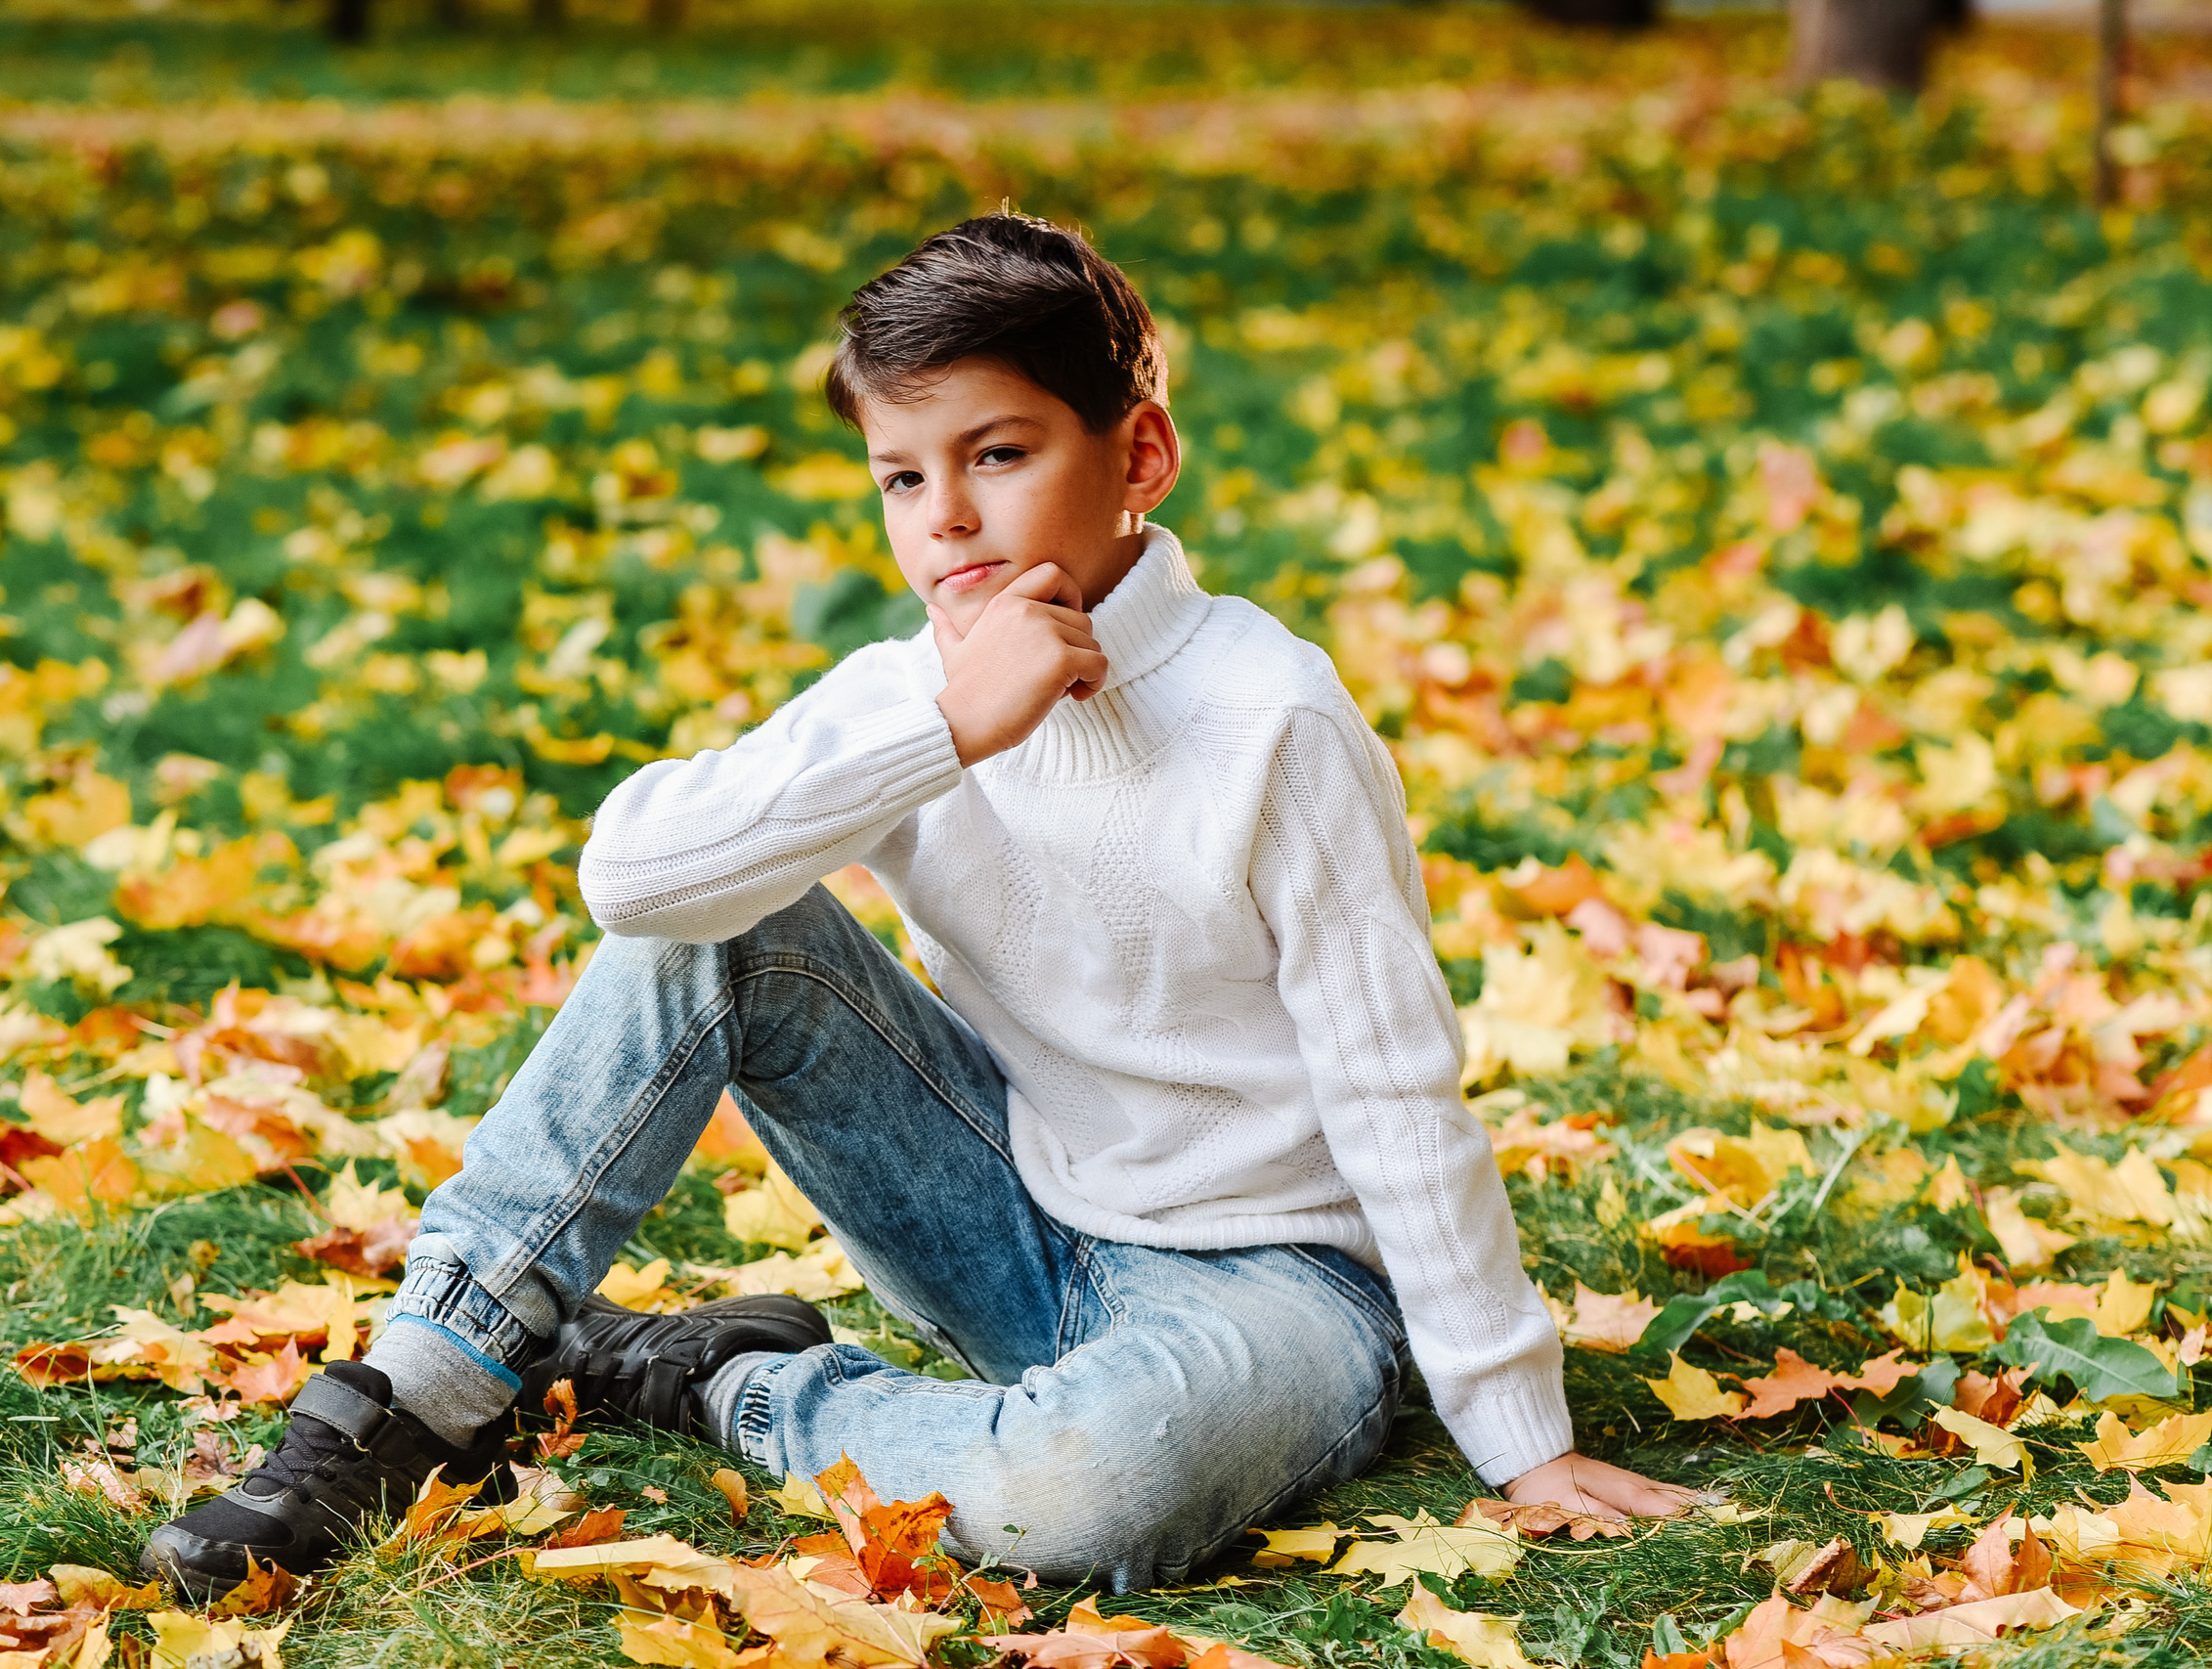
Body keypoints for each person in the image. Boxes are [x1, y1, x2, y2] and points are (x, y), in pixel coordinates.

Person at [144, 210, 1694, 1602]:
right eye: (903, 475)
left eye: (999, 455)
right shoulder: (916, 698)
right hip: (1012, 1217)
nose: (944, 519)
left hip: (1284, 1285)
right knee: (724, 923)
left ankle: (718, 1385)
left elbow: (1393, 1083)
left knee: (1079, 1490)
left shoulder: (1269, 716)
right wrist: (949, 728)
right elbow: (633, 876)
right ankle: (425, 1389)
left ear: (1139, 457)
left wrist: (1515, 1431)